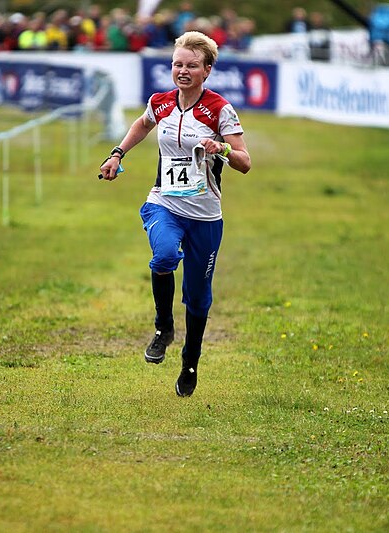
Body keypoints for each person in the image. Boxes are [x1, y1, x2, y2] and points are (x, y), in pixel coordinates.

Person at [99, 31, 251, 397]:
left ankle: (190, 361)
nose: (183, 71)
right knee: (164, 255)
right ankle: (163, 326)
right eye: (177, 64)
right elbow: (142, 124)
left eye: (192, 65)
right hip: (164, 202)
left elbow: (245, 162)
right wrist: (117, 153)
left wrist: (221, 150)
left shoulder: (219, 110)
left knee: (198, 298)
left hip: (205, 216)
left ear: (207, 70)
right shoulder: (161, 103)